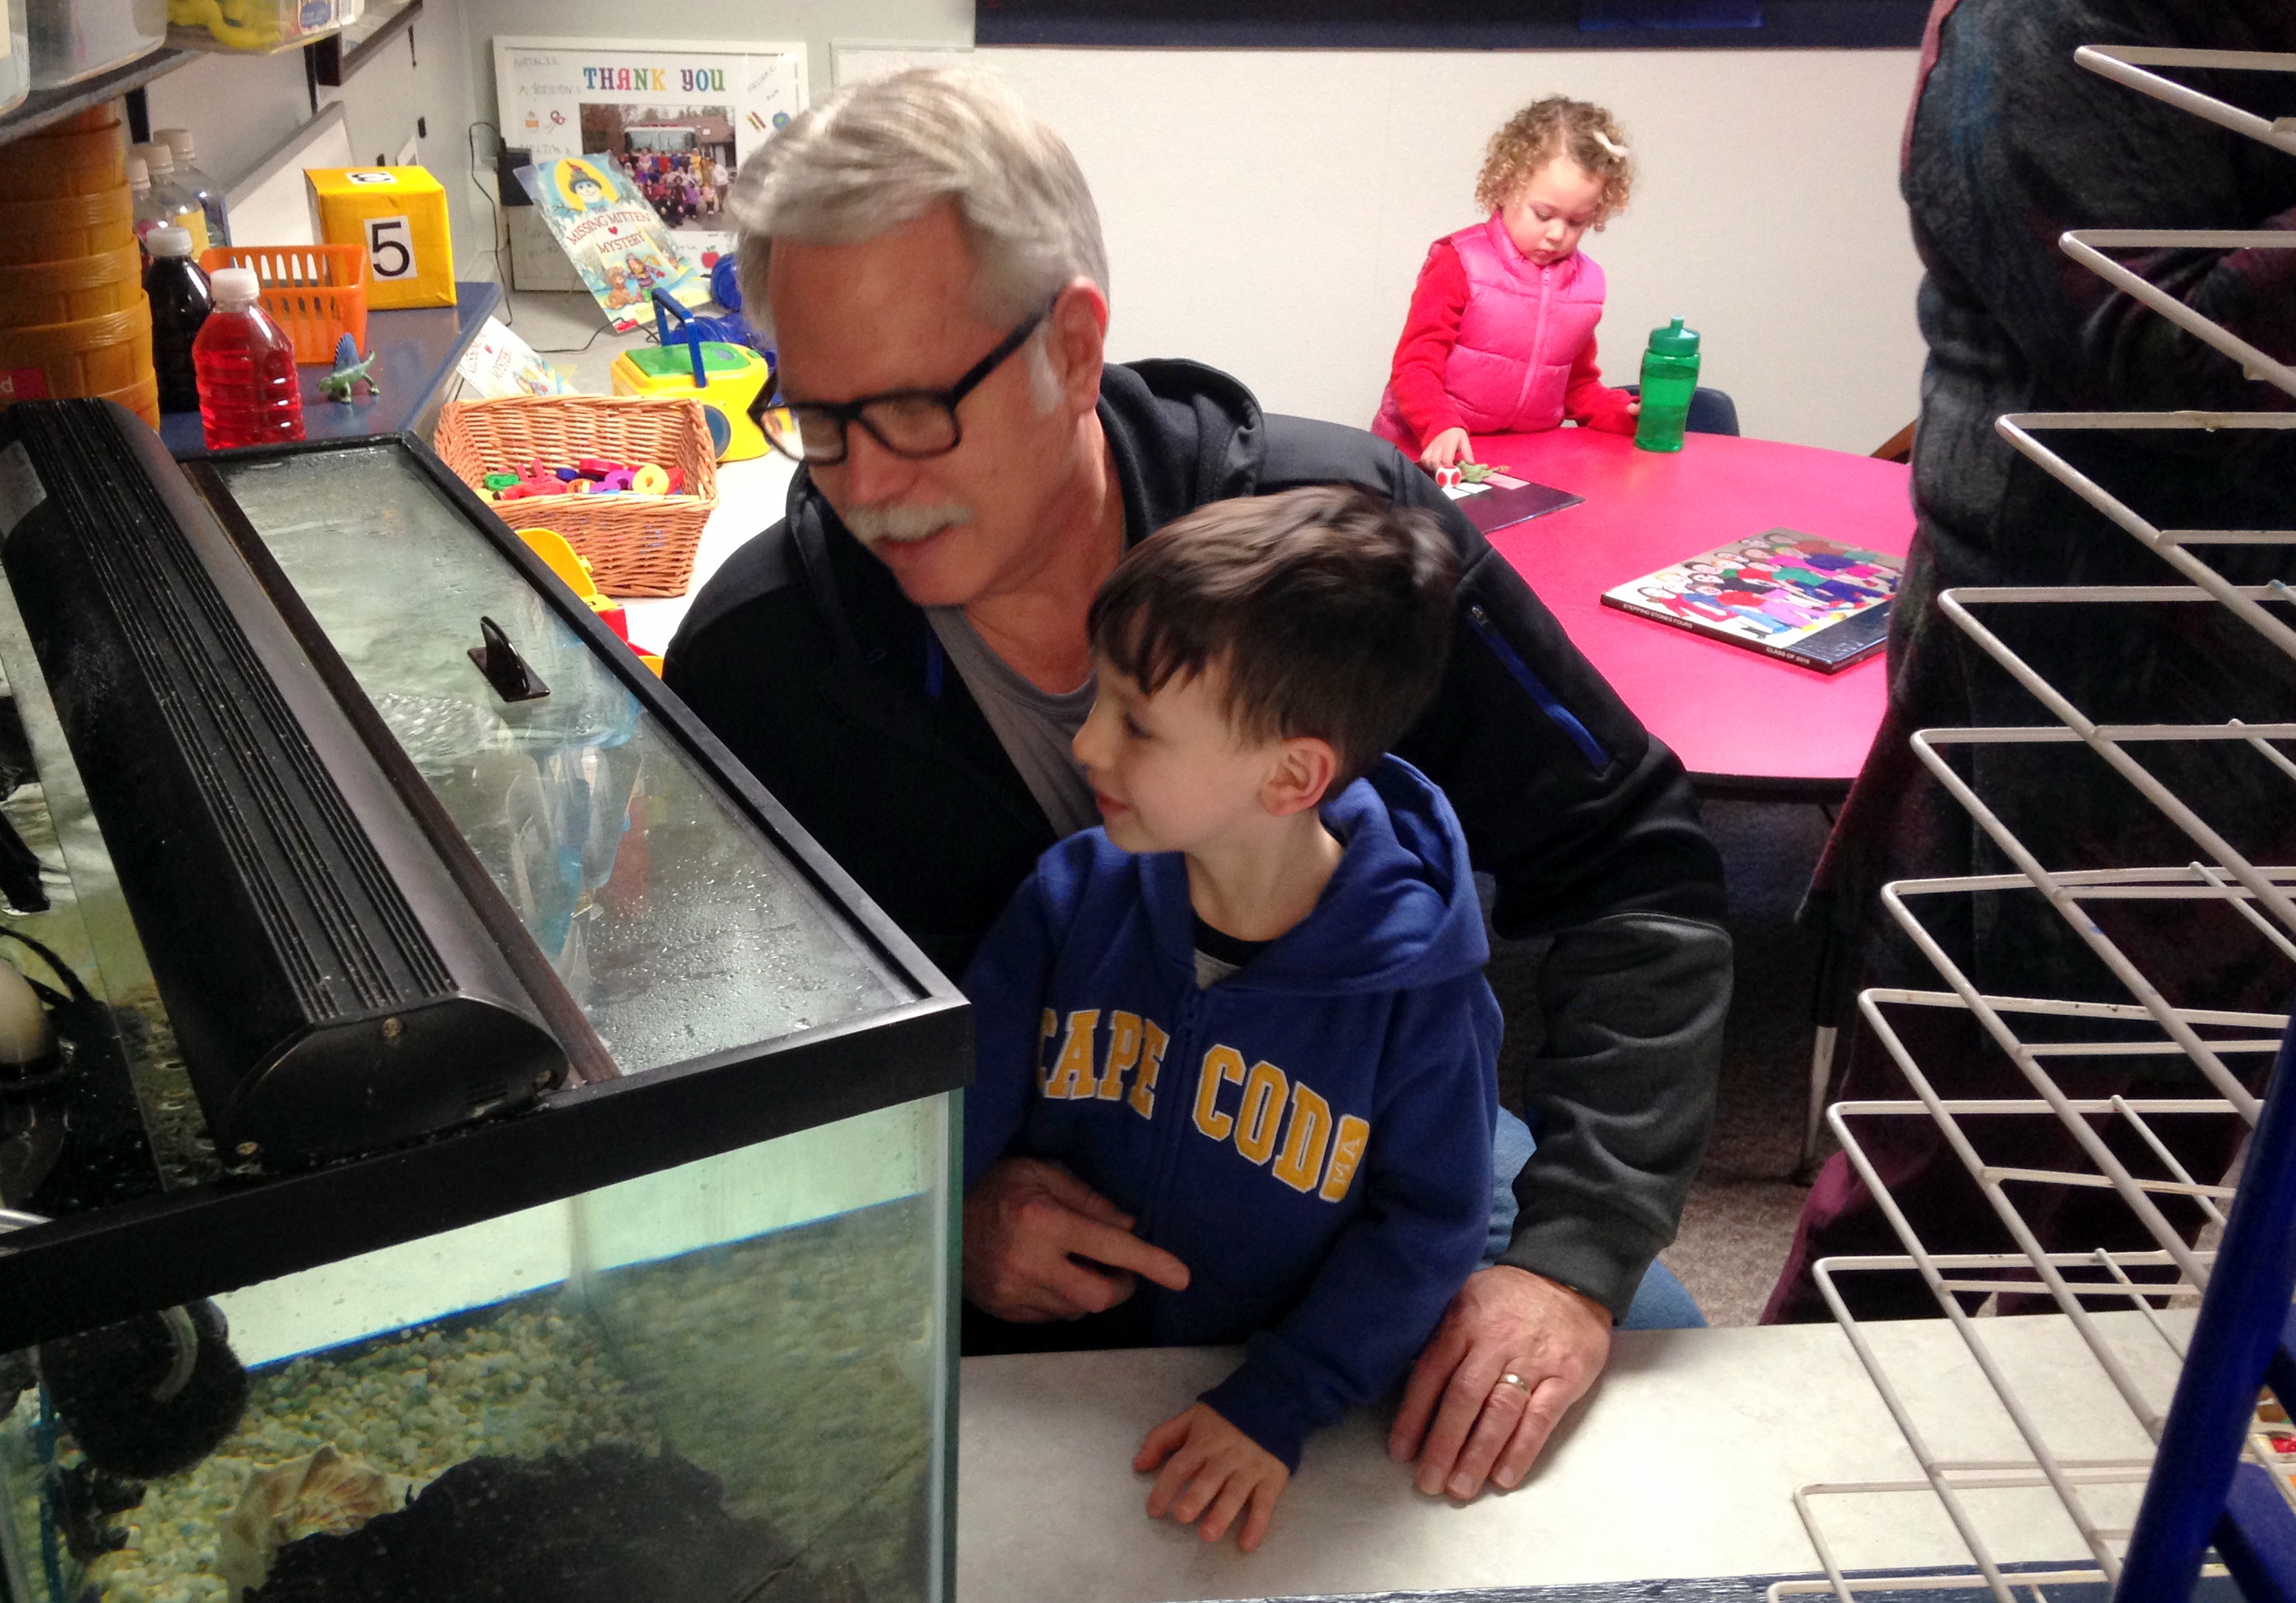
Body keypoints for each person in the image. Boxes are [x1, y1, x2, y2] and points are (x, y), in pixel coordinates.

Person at [661, 69, 1732, 1501]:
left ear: (1074, 345)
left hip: (1365, 1162)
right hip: (987, 1213)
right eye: (818, 416)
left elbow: (1635, 856)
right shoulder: (758, 663)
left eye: (914, 410)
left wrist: (1573, 1256)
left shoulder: (1345, 542)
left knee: (1660, 1457)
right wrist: (932, 1207)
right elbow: (712, 1068)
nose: (862, 485)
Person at [1763, 0, 2296, 1323]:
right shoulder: (2035, 26)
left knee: (2161, 1158)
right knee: (1949, 1159)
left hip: (2255, 700)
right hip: (2058, 691)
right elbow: (2170, 355)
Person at [963, 487, 1500, 1551]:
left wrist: (1282, 1397)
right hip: (1028, 1380)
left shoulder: (1422, 998)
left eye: (1137, 724)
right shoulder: (1069, 897)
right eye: (1099, 700)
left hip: (1257, 1398)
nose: (1087, 747)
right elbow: (952, 1118)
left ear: (1293, 774)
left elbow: (1427, 1228)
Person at [1373, 96, 1641, 475]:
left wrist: (1622, 413)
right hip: (1429, 454)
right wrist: (1439, 422)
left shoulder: (1585, 286)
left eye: (1576, 221)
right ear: (1505, 187)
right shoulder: (1460, 262)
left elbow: (1577, 387)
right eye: (1543, 214)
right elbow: (1415, 365)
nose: (1557, 234)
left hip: (1521, 462)